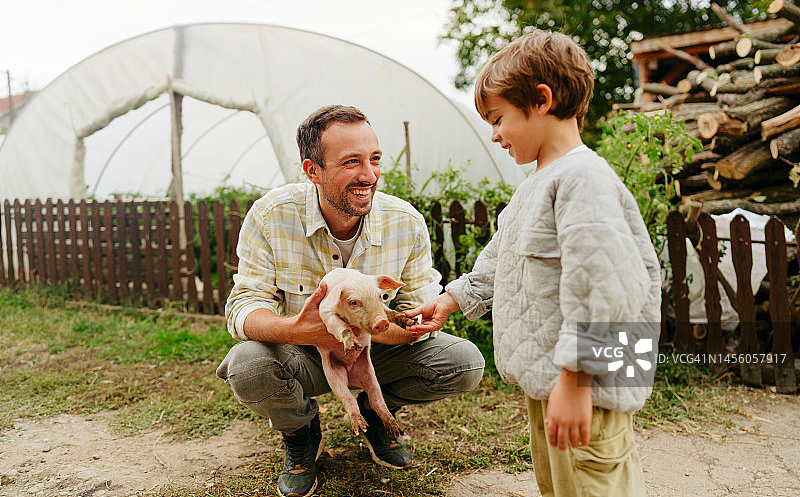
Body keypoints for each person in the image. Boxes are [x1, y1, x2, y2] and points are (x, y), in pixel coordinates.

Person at [405, 30, 661, 497]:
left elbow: (606, 286)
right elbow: (504, 255)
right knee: (561, 486)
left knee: (593, 485)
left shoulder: (584, 179)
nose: (494, 134)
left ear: (541, 100)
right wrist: (452, 300)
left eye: (498, 118)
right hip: (553, 378)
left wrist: (578, 379)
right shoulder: (538, 184)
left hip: (588, 384)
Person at [216, 105, 485, 497]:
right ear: (313, 171)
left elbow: (419, 304)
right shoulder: (272, 215)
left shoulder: (405, 221)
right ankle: (301, 431)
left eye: (375, 159)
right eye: (351, 162)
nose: (369, 175)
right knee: (248, 366)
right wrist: (297, 330)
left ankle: (378, 417)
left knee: (463, 363)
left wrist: (409, 324)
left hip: (375, 349)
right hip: (304, 351)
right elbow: (243, 307)